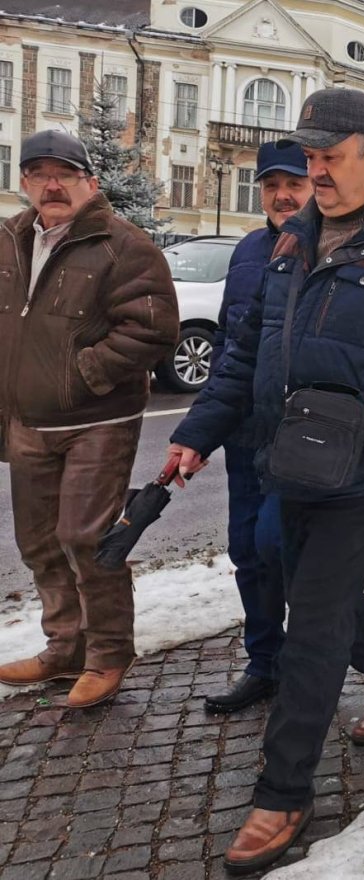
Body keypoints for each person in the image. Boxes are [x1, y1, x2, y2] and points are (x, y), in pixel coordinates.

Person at [165, 88, 364, 872]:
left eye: (329, 158)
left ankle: (284, 790)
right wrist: (197, 434)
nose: (316, 173)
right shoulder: (289, 240)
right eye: (309, 158)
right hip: (290, 456)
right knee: (317, 596)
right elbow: (245, 353)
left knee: (314, 620)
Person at [0, 130, 179, 707]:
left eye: (65, 174)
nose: (52, 185)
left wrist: (84, 374)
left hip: (98, 420)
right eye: (39, 174)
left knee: (87, 538)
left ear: (90, 183)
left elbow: (153, 329)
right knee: (38, 542)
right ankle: (64, 648)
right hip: (28, 422)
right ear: (24, 182)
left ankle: (107, 654)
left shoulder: (124, 245)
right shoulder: (8, 238)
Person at [204, 142, 312, 714]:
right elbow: (230, 338)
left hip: (301, 437)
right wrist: (210, 423)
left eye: (293, 183)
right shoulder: (249, 249)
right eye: (270, 185)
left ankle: (333, 660)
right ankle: (264, 662)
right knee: (247, 550)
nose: (281, 195)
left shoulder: (329, 245)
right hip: (245, 434)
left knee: (285, 551)